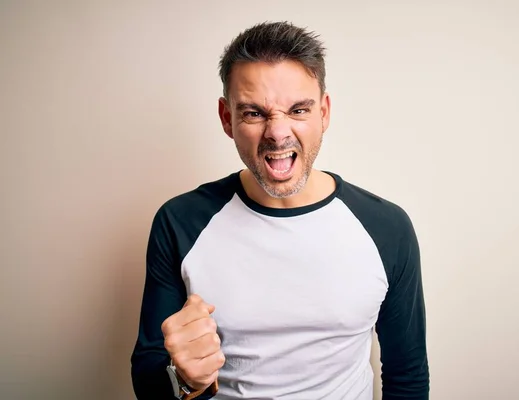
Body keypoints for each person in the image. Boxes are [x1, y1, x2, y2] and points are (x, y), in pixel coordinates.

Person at [130, 21, 429, 400]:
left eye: (298, 110)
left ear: (324, 112)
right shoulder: (180, 222)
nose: (277, 132)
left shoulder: (386, 228)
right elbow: (150, 381)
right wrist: (188, 379)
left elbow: (407, 376)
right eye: (254, 113)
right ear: (227, 118)